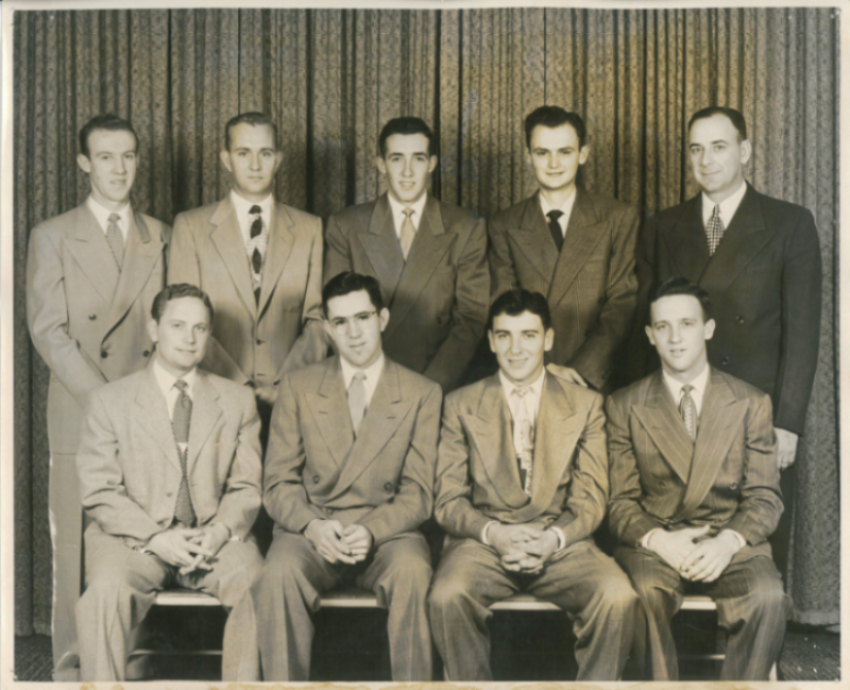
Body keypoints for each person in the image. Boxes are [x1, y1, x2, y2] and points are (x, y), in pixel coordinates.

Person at [635, 106, 821, 577]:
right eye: (696, 149)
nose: (706, 160)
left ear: (745, 151)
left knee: (758, 548)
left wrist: (789, 422)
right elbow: (649, 329)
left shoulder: (789, 223)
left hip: (756, 413)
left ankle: (763, 644)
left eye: (719, 147)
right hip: (682, 405)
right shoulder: (662, 226)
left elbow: (802, 334)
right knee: (683, 537)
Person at [428, 288, 638, 681]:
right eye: (504, 335)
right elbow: (448, 500)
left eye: (528, 335)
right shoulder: (460, 404)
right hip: (484, 542)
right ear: (490, 340)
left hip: (561, 540)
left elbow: (591, 499)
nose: (516, 348)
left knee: (618, 597)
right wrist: (495, 534)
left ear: (548, 339)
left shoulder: (586, 404)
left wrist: (552, 539)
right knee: (446, 596)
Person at [25, 113, 169, 680]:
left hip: (146, 412)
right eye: (105, 157)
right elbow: (48, 332)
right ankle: (69, 662)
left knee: (135, 537)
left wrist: (140, 400)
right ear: (84, 163)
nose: (119, 168)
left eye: (128, 155)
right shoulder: (53, 234)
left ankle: (127, 657)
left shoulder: (159, 234)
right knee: (74, 548)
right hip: (82, 411)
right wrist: (107, 401)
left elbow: (171, 323)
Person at [253, 271, 442, 681]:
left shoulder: (422, 392)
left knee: (414, 574)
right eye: (340, 322)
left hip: (388, 533)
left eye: (363, 318)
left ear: (384, 319)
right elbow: (278, 484)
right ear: (326, 329)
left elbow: (419, 493)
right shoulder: (298, 387)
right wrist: (313, 525)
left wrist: (372, 530)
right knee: (276, 576)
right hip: (314, 529)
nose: (354, 333)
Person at [74, 284, 264, 682]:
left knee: (260, 583)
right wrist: (155, 537)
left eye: (200, 328)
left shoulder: (237, 401)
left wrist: (219, 532)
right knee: (104, 594)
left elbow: (247, 486)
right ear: (154, 328)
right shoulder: (109, 401)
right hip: (133, 540)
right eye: (178, 325)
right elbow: (100, 490)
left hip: (210, 539)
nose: (190, 338)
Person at [608, 277, 789, 680]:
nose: (675, 338)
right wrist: (659, 540)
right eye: (663, 327)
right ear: (650, 336)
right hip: (657, 541)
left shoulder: (750, 401)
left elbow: (765, 497)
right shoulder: (624, 405)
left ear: (708, 329)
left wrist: (727, 542)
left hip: (730, 538)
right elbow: (618, 502)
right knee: (639, 597)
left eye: (687, 324)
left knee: (768, 597)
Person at [168, 112, 327, 424]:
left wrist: (283, 385)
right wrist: (239, 386)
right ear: (226, 159)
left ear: (278, 159)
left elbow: (317, 320)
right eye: (244, 153)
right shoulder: (190, 227)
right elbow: (183, 321)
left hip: (290, 402)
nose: (255, 165)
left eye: (265, 153)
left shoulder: (310, 228)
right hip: (213, 399)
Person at [324, 116, 489, 393]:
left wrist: (430, 386)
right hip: (367, 384)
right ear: (381, 164)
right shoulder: (346, 225)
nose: (408, 172)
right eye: (397, 159)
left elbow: (471, 319)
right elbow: (336, 316)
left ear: (433, 164)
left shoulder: (465, 226)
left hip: (438, 385)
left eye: (419, 159)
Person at [488, 106, 639, 392]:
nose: (553, 163)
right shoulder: (504, 224)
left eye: (565, 152)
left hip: (594, 379)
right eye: (542, 153)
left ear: (583, 154)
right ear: (528, 156)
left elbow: (622, 303)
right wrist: (542, 369)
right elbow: (505, 309)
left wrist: (580, 370)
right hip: (527, 376)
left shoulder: (618, 217)